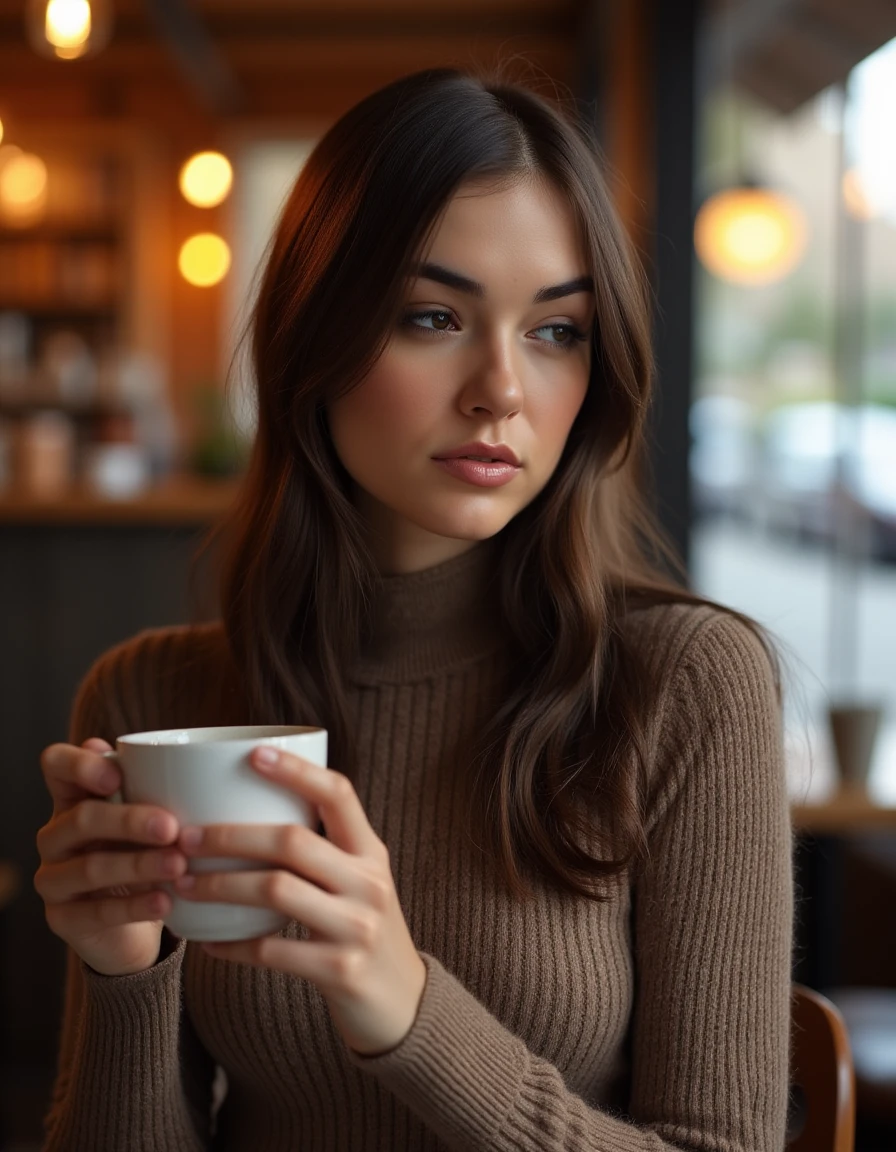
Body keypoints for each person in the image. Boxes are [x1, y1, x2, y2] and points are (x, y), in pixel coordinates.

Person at [35, 66, 795, 1151]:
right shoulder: (154, 697)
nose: (500, 389)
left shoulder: (681, 683)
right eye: (433, 316)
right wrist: (123, 972)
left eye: (555, 331)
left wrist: (405, 1010)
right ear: (319, 339)